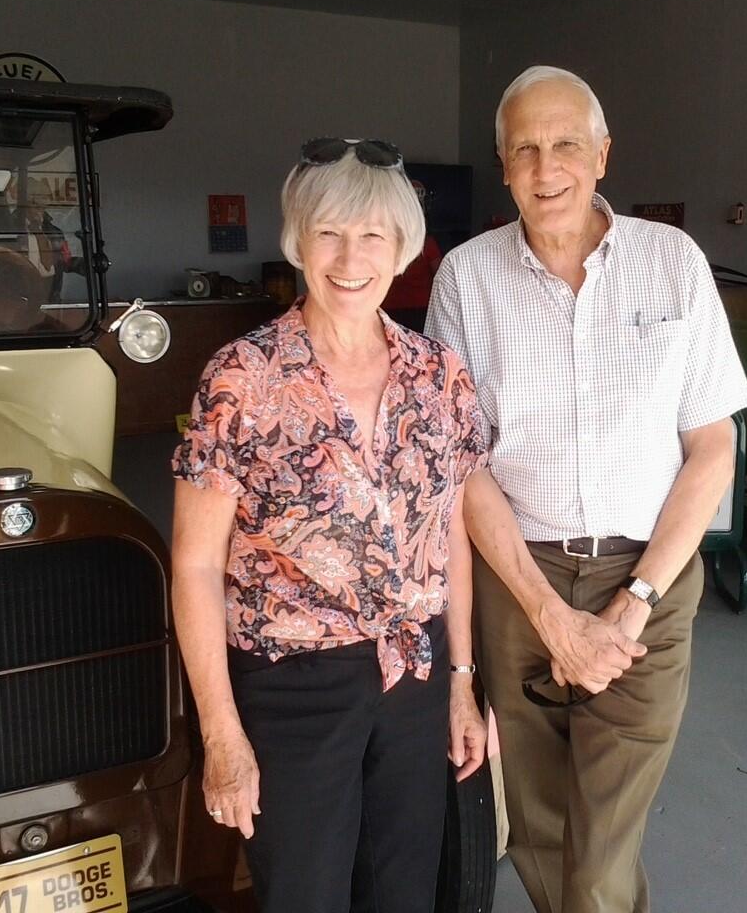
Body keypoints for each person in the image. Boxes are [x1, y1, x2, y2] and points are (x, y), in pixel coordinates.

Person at [425, 66, 747, 913]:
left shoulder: (671, 262)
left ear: (601, 155)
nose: (546, 167)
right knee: (535, 823)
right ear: (502, 166)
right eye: (524, 149)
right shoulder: (465, 278)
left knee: (600, 853)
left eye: (565, 143)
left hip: (646, 579)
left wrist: (634, 602)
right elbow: (460, 466)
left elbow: (711, 447)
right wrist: (545, 615)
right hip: (515, 577)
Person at [172, 137, 489, 913]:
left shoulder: (437, 374)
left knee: (403, 890)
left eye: (373, 236)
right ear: (298, 242)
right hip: (291, 687)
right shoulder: (240, 377)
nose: (351, 257)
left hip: (413, 675)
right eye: (328, 233)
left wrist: (459, 683)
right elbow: (193, 568)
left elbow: (449, 536)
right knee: (305, 895)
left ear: (403, 248)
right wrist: (221, 735)